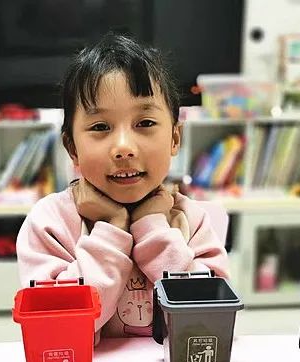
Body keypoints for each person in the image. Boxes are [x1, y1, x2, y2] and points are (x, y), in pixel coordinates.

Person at [16, 33, 229, 340]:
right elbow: (56, 334)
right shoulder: (50, 223)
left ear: (174, 138)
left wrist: (152, 227)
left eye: (145, 123)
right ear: (72, 148)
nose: (124, 147)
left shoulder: (191, 220)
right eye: (100, 127)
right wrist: (111, 228)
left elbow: (208, 324)